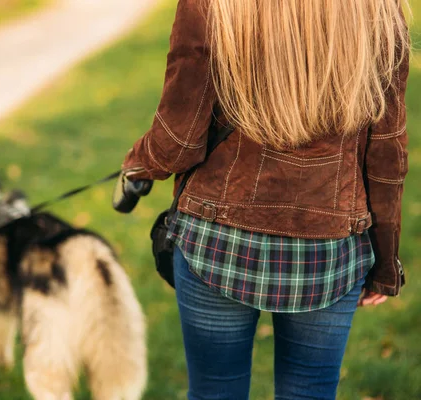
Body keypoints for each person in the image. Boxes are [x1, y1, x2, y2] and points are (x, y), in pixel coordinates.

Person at [121, 0, 410, 399]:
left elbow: (180, 140)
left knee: (214, 393)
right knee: (309, 392)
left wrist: (138, 166)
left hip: (218, 241)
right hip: (329, 250)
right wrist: (385, 262)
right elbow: (386, 156)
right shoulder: (375, 8)